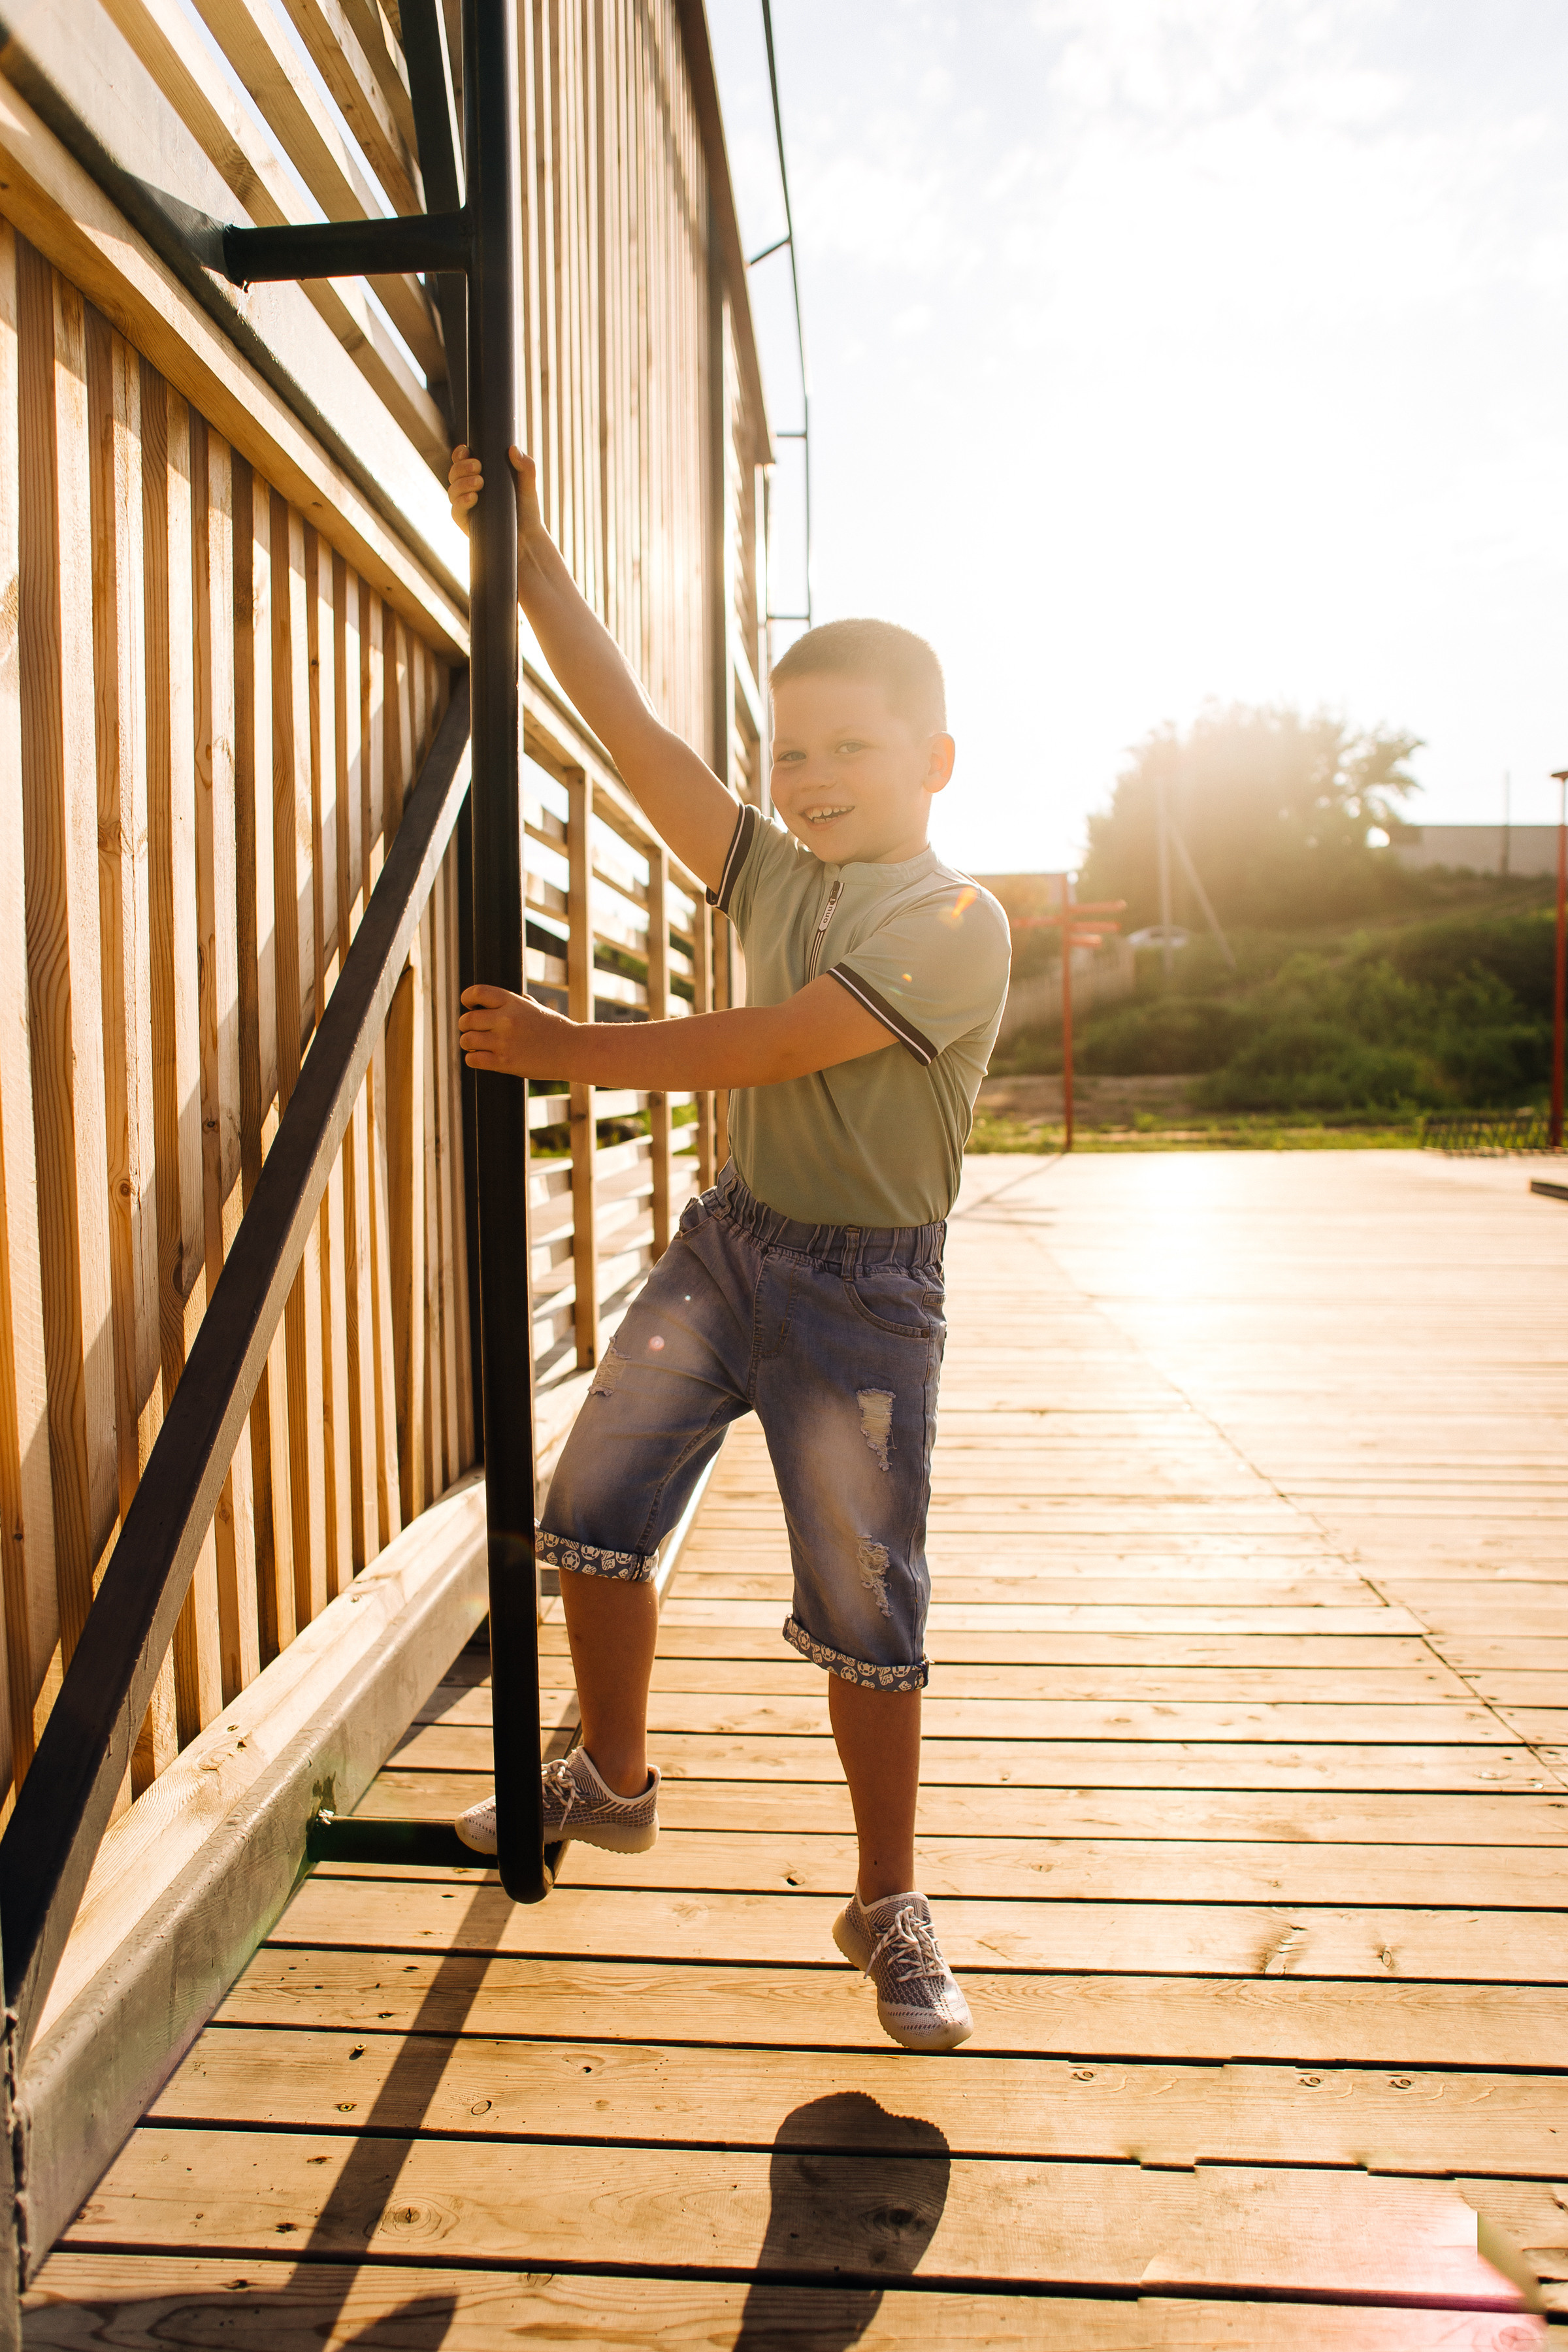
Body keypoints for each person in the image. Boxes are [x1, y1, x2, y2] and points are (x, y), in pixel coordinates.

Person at [446, 440, 1010, 2053]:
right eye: (793, 747)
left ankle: (889, 1899)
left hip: (868, 1296)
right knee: (590, 1506)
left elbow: (782, 1045)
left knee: (865, 1603)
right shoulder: (773, 867)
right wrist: (531, 557)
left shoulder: (957, 924)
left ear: (935, 761)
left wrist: (571, 1045)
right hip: (732, 1247)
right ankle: (611, 1778)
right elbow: (633, 734)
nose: (815, 772)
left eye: (854, 747)